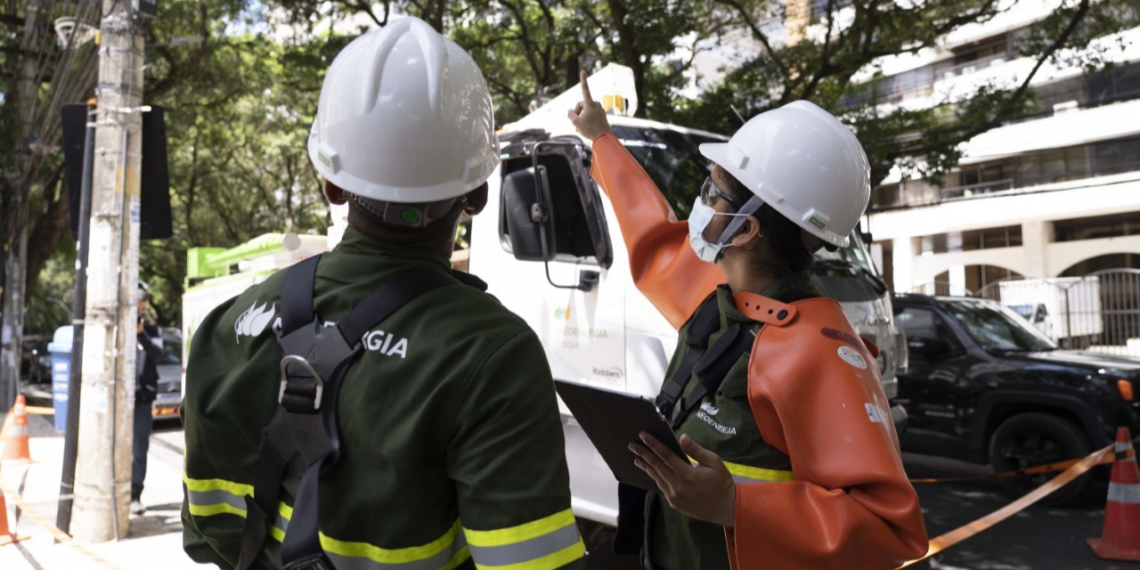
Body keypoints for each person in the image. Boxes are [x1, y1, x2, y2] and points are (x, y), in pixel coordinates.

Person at [182, 18, 586, 570]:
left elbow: (202, 533)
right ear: (478, 195)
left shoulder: (229, 326)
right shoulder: (492, 355)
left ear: (332, 184)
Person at [568, 73, 929, 570]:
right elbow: (649, 232)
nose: (701, 204)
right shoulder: (720, 303)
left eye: (711, 193)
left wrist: (734, 506)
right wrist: (602, 139)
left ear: (747, 228)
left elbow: (891, 531)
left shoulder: (818, 353)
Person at [132, 283, 163, 516]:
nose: (139, 314)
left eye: (143, 310)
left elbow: (157, 353)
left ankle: (135, 494)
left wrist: (141, 334)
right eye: (136, 309)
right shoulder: (119, 330)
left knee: (139, 449)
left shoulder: (151, 332)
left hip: (143, 399)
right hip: (121, 399)